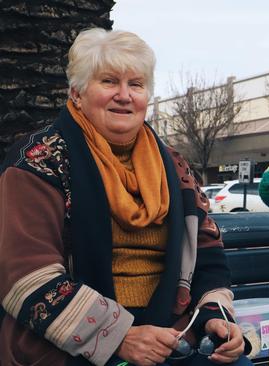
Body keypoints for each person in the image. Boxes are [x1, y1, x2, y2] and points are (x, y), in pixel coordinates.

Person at [0, 28, 251, 366]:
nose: (124, 95)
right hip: (66, 347)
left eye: (136, 84)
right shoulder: (37, 161)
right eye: (108, 82)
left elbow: (207, 254)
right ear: (76, 93)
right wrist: (119, 336)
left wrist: (214, 316)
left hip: (171, 336)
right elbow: (25, 275)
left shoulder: (174, 166)